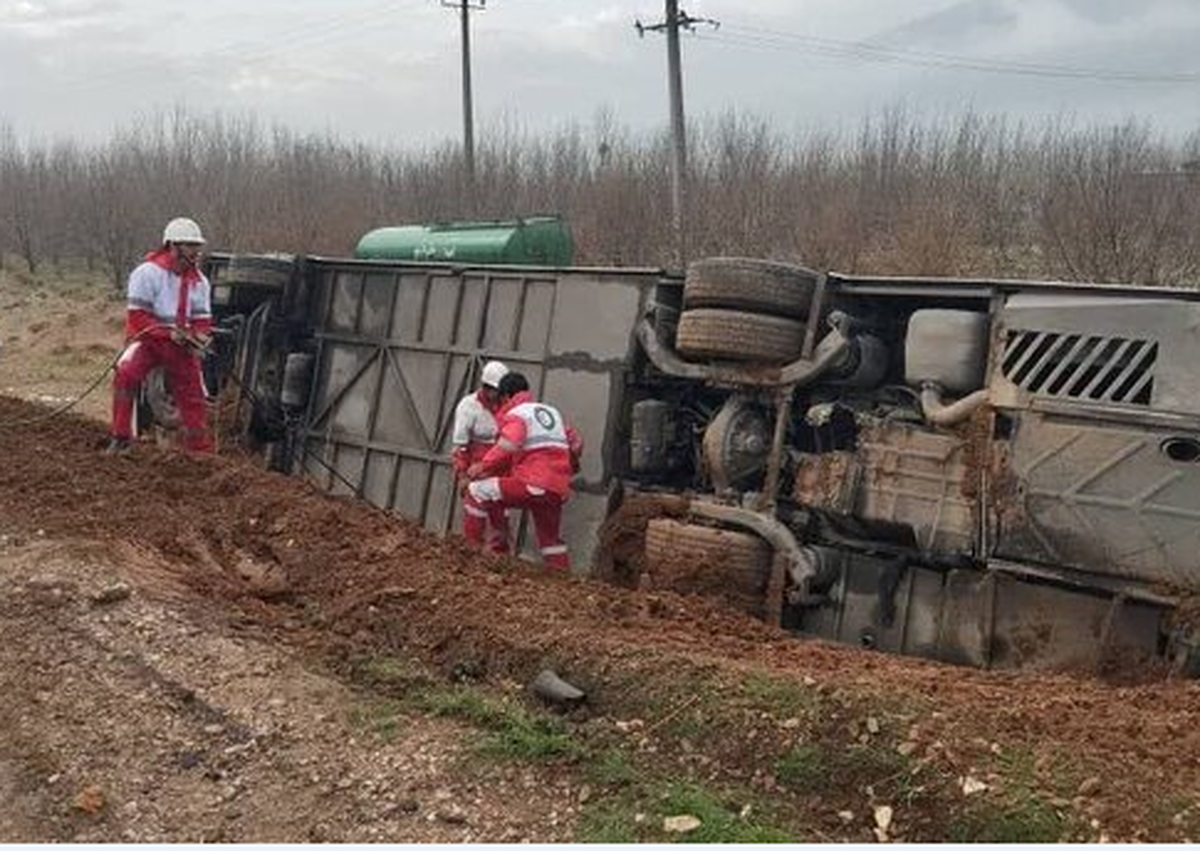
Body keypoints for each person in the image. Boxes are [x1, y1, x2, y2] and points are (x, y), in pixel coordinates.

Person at [104, 217, 214, 455]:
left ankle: (200, 453)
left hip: (180, 347)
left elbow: (202, 320)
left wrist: (200, 336)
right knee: (125, 374)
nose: (196, 252)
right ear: (173, 246)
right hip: (148, 342)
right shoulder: (146, 274)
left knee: (194, 396)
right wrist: (166, 333)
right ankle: (120, 437)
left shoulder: (200, 282)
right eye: (190, 246)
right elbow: (138, 317)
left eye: (197, 247)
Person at [463, 372, 583, 572]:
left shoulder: (518, 414)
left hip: (532, 483)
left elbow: (509, 445)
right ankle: (564, 582)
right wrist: (568, 467)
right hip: (556, 490)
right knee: (550, 540)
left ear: (506, 396)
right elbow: (577, 444)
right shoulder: (551, 413)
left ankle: (470, 552)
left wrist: (481, 466)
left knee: (476, 491)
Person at [451, 359, 511, 553]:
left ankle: (499, 552)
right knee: (474, 508)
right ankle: (472, 549)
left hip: (500, 466)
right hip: (476, 467)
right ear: (486, 387)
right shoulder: (468, 407)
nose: (499, 395)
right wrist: (462, 475)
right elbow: (461, 446)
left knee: (500, 511)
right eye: (496, 391)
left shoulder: (506, 405)